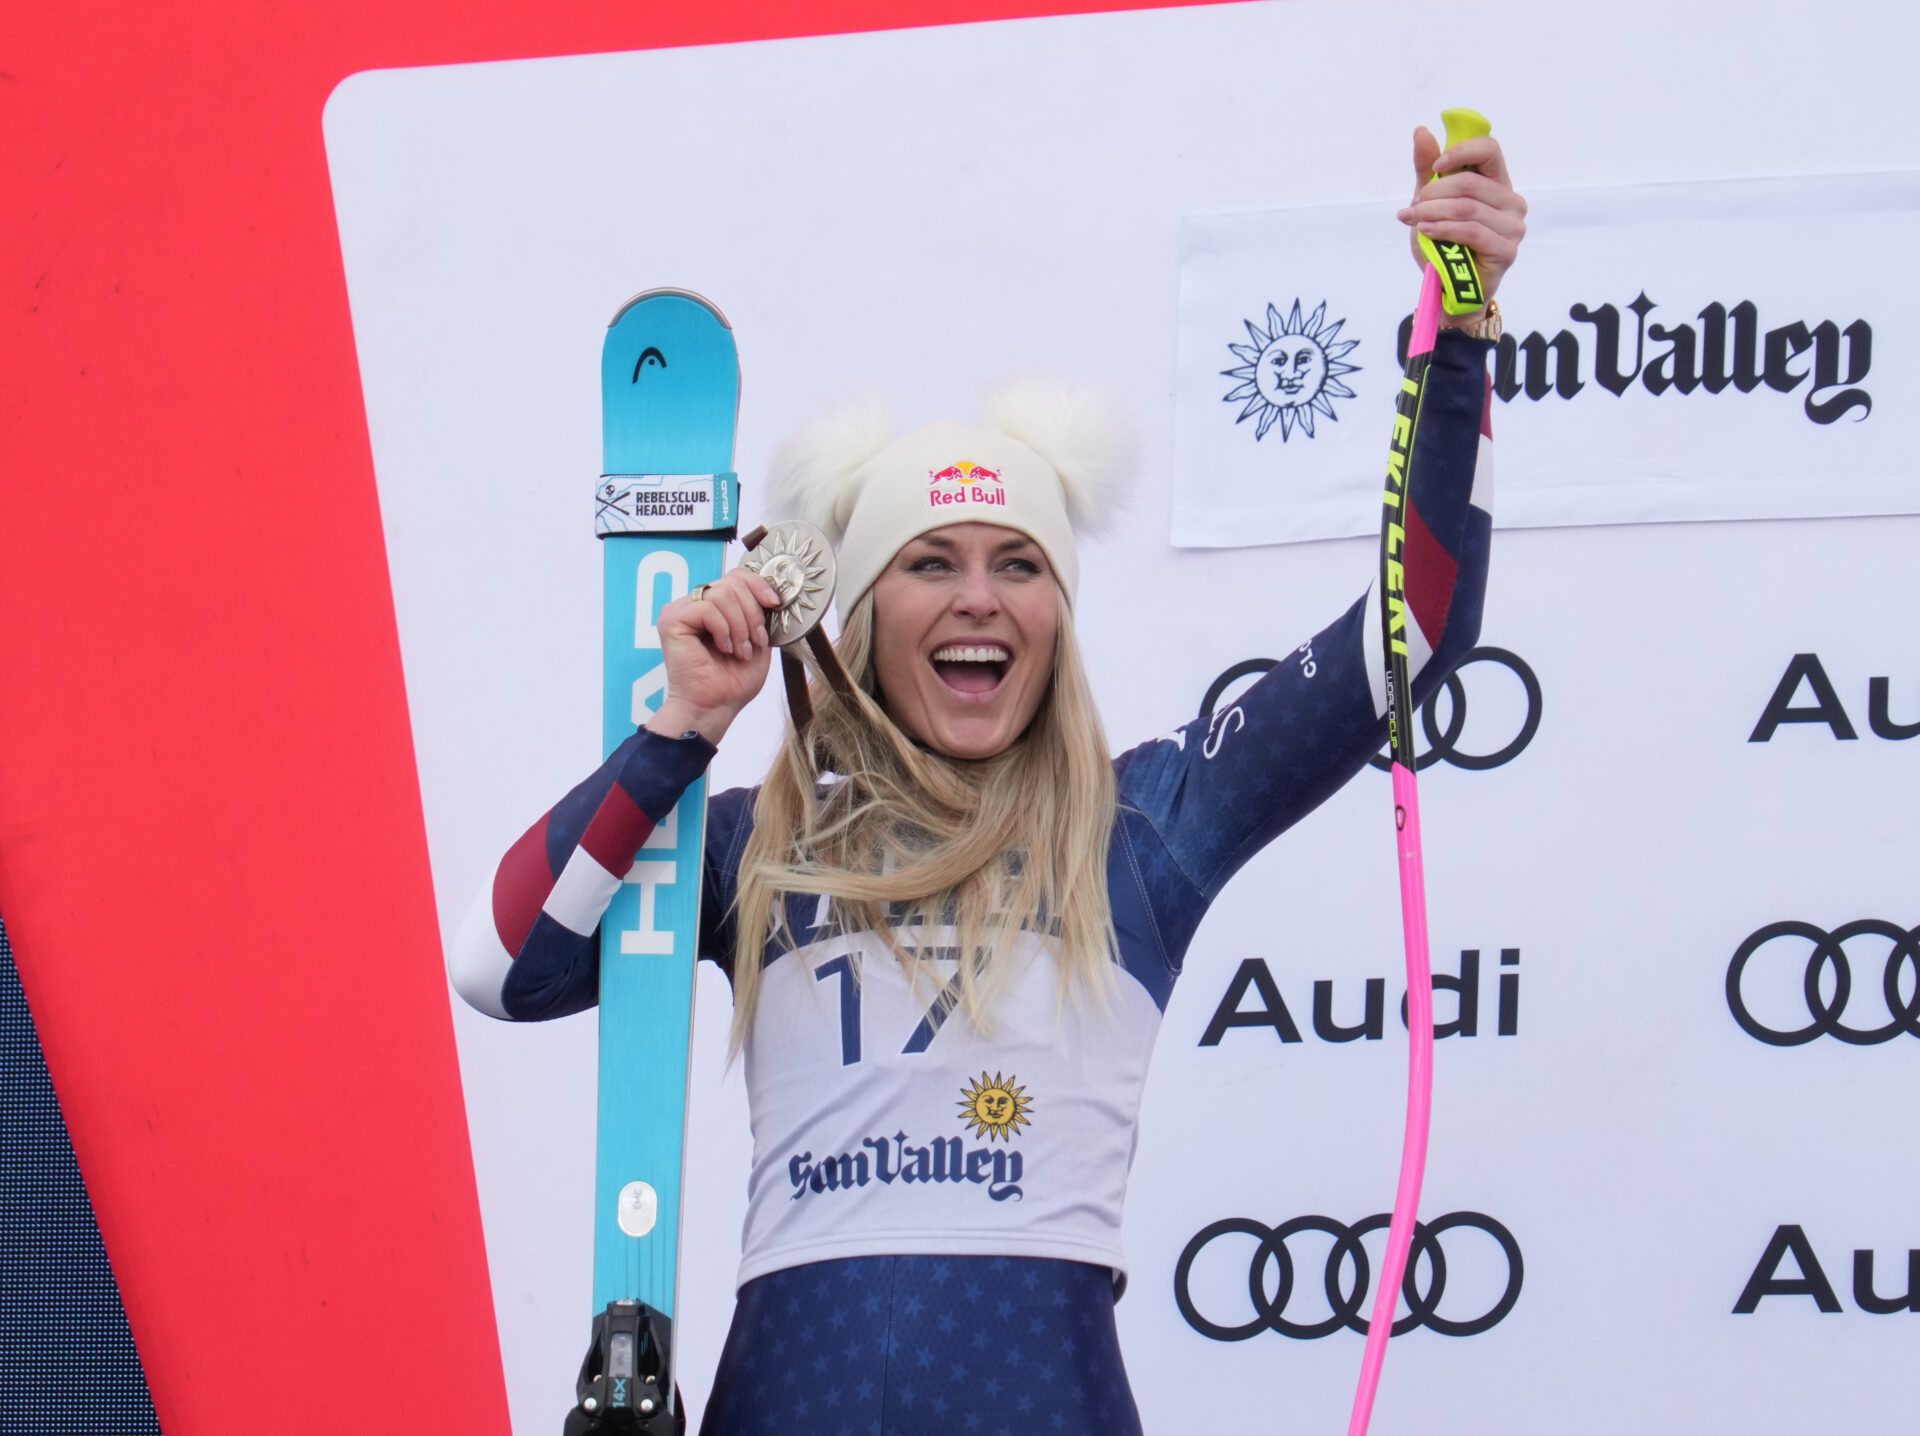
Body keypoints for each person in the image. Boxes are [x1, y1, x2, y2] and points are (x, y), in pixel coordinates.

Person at [450, 129, 1527, 1435]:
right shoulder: (747, 847)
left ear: (1059, 612)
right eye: (930, 562)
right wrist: (675, 734)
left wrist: (1460, 318)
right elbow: (503, 967)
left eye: (1020, 563)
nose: (979, 597)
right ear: (858, 612)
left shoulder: (1149, 828)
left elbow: (1415, 625)